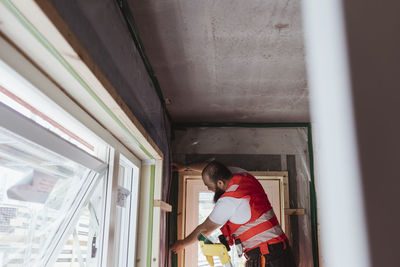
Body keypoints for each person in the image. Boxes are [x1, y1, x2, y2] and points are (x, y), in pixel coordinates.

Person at [170, 161, 296, 267]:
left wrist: (182, 244)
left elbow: (205, 229)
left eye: (209, 186)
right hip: (278, 253)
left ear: (220, 183)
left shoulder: (230, 200)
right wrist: (186, 167)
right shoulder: (242, 175)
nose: (209, 189)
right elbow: (211, 168)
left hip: (268, 258)